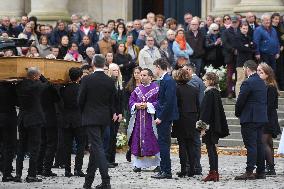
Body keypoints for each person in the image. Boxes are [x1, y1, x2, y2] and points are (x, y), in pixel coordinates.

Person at [79, 55, 115, 189]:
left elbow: (80, 99)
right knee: (95, 148)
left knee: (97, 147)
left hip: (90, 117)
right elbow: (112, 101)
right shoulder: (110, 80)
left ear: (93, 63)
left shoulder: (87, 79)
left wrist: (84, 112)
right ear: (104, 63)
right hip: (104, 117)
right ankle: (88, 181)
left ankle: (106, 180)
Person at [235, 60, 268, 180]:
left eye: (244, 69)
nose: (243, 71)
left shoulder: (248, 82)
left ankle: (249, 171)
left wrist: (237, 113)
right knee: (259, 145)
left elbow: (240, 101)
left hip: (250, 117)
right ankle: (261, 171)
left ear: (247, 69)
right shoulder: (261, 82)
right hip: (260, 117)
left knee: (251, 145)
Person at [15, 67, 49, 183]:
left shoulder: (19, 85)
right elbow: (47, 84)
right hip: (34, 120)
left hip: (23, 119)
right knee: (34, 148)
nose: (39, 77)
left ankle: (18, 174)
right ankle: (31, 175)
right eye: (38, 76)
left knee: (21, 148)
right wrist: (42, 76)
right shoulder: (37, 86)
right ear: (35, 76)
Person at [196, 72, 229, 182]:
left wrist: (202, 128)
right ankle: (214, 172)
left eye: (205, 80)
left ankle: (212, 172)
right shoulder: (215, 92)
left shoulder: (209, 93)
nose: (204, 82)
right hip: (214, 125)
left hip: (209, 127)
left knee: (210, 149)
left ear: (210, 81)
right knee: (212, 149)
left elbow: (206, 112)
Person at [128, 68, 160, 172]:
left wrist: (148, 105)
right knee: (138, 140)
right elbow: (131, 101)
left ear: (151, 77)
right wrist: (136, 105)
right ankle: (138, 164)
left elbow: (160, 102)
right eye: (141, 75)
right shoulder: (137, 89)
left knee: (153, 140)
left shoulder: (156, 89)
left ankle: (158, 164)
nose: (141, 77)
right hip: (139, 121)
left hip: (151, 120)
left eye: (144, 75)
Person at [151, 58, 179, 179]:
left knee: (163, 143)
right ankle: (164, 169)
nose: (154, 70)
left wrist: (161, 117)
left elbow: (169, 102)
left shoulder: (168, 80)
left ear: (158, 67)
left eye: (154, 68)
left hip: (165, 117)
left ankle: (166, 171)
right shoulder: (164, 80)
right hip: (163, 115)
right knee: (162, 143)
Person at [172, 69, 199, 177]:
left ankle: (184, 169)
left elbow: (176, 105)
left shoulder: (176, 89)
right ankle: (192, 169)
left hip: (181, 119)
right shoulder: (194, 89)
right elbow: (198, 105)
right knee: (191, 145)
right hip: (192, 118)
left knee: (182, 145)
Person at [60, 67, 86, 177]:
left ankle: (67, 170)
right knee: (81, 145)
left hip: (66, 119)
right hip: (79, 120)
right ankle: (78, 169)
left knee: (67, 145)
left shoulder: (63, 88)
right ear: (79, 77)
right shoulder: (81, 89)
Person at [257, 63, 281, 175]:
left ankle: (270, 168)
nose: (258, 73)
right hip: (268, 117)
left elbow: (270, 105)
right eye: (258, 71)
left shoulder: (270, 87)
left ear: (267, 74)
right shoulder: (265, 86)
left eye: (261, 72)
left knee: (265, 142)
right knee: (268, 143)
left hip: (267, 118)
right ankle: (270, 167)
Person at [106, 63, 124, 167]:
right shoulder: (108, 83)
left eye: (117, 70)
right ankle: (107, 159)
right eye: (113, 70)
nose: (116, 72)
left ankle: (112, 159)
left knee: (114, 136)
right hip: (110, 113)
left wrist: (120, 113)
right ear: (109, 71)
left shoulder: (120, 83)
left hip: (117, 113)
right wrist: (113, 113)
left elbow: (121, 101)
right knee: (109, 136)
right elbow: (109, 100)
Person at [0, 82, 17, 182]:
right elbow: (18, 101)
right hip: (8, 118)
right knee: (9, 146)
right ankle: (6, 173)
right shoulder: (10, 87)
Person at [235, 22, 255, 97]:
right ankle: (238, 97)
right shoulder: (237, 37)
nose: (245, 30)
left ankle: (246, 97)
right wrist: (249, 46)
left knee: (248, 80)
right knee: (240, 80)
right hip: (241, 63)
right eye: (243, 28)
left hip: (249, 62)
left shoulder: (249, 37)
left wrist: (248, 46)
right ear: (240, 28)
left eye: (246, 28)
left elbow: (253, 46)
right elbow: (240, 48)